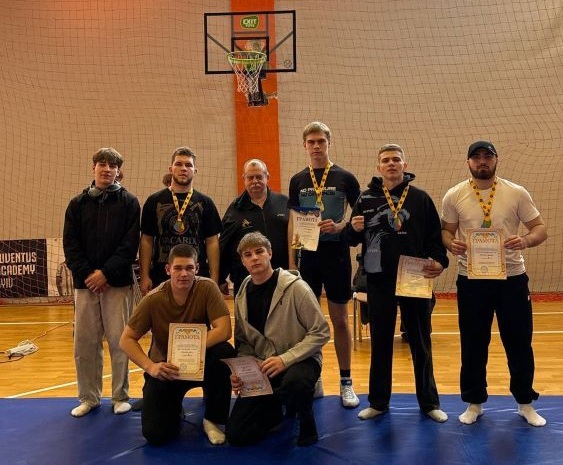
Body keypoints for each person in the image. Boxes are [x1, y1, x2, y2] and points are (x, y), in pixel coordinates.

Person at [441, 140, 548, 427]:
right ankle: (474, 403)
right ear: (468, 162)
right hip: (472, 279)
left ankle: (525, 403)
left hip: (511, 278)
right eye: (476, 157)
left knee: (519, 342)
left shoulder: (516, 192)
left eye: (487, 156)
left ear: (496, 159)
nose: (482, 161)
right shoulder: (454, 195)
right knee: (473, 342)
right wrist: (452, 244)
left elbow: (540, 228)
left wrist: (525, 240)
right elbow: (446, 232)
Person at [345, 143, 449, 423]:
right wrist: (352, 229)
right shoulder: (366, 198)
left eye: (396, 159)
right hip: (379, 279)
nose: (391, 164)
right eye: (386, 160)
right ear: (379, 167)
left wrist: (441, 262)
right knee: (380, 342)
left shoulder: (420, 198)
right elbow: (351, 239)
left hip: (414, 278)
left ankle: (429, 403)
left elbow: (435, 238)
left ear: (405, 165)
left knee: (420, 341)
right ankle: (378, 402)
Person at [120, 244, 236, 445]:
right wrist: (151, 367)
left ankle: (213, 419)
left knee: (224, 351)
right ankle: (173, 409)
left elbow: (224, 330)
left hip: (201, 364)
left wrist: (191, 348)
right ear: (168, 269)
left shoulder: (207, 288)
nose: (184, 273)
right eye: (178, 268)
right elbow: (126, 339)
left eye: (189, 268)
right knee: (156, 435)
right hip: (167, 368)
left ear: (197, 268)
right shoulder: (153, 299)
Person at [225, 232, 330, 447]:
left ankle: (306, 420)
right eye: (248, 255)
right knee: (237, 435)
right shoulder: (242, 294)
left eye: (259, 252)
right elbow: (243, 341)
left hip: (301, 360)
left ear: (270, 254)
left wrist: (285, 359)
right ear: (243, 261)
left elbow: (321, 332)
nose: (255, 258)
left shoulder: (297, 288)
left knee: (295, 383)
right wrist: (245, 370)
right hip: (265, 366)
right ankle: (276, 409)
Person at [287, 121, 361, 408]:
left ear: (329, 143)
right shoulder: (297, 180)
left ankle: (346, 381)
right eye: (311, 142)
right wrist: (292, 261)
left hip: (337, 255)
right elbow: (293, 221)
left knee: (340, 320)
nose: (316, 146)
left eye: (321, 141)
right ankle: (313, 376)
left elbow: (359, 216)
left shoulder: (345, 177)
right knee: (309, 322)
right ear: (304, 146)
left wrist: (341, 226)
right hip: (308, 257)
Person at [63, 147, 140, 417]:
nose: (107, 169)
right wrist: (89, 275)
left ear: (119, 171)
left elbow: (129, 245)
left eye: (112, 165)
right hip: (85, 285)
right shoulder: (77, 204)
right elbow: (70, 245)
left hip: (117, 284)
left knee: (120, 341)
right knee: (85, 343)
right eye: (102, 164)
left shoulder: (130, 202)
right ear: (93, 167)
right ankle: (89, 397)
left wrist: (105, 273)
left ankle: (120, 396)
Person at [139, 146, 222, 295]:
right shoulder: (154, 201)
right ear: (171, 169)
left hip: (197, 275)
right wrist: (144, 275)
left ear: (195, 171)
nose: (183, 168)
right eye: (179, 164)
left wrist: (214, 278)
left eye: (188, 165)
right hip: (161, 274)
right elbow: (146, 240)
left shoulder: (206, 202)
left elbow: (212, 242)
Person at [220, 159, 289, 296]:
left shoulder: (284, 202)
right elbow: (224, 245)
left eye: (259, 177)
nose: (255, 181)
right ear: (244, 179)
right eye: (250, 177)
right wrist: (221, 278)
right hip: (245, 280)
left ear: (267, 177)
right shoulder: (234, 210)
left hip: (282, 277)